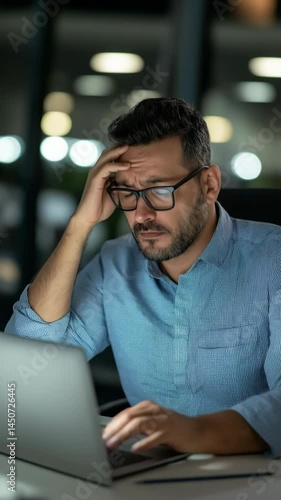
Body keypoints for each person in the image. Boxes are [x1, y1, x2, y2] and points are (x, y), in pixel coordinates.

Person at [5, 97, 281, 457]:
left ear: (210, 186)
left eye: (160, 190)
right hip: (143, 482)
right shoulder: (116, 263)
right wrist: (80, 224)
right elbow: (27, 360)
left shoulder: (273, 259)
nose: (142, 214)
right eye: (128, 193)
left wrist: (193, 432)